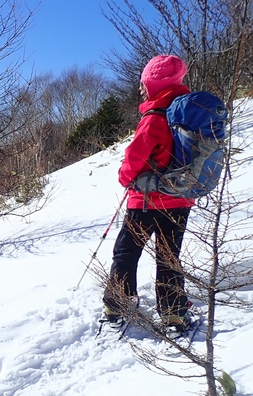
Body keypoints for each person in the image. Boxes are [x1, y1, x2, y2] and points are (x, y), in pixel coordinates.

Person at [103, 55, 193, 332]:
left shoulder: (155, 117)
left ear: (154, 84)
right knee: (169, 256)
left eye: (144, 83)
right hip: (180, 199)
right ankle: (173, 312)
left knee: (126, 253)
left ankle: (117, 305)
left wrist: (124, 178)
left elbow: (134, 158)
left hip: (146, 202)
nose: (141, 88)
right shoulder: (188, 115)